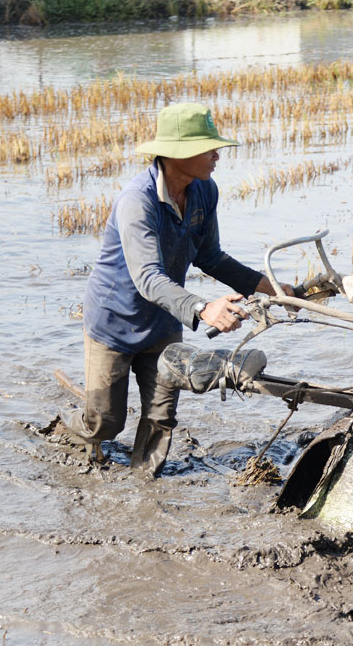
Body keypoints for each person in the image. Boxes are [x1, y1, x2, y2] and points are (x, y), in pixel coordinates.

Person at [65, 102, 292, 476]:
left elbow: (212, 257)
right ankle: (73, 433)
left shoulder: (204, 190)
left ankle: (145, 489)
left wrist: (276, 290)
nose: (217, 155)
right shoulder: (137, 202)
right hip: (115, 322)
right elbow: (148, 277)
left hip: (165, 319)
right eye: (209, 148)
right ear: (177, 154)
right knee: (105, 423)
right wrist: (204, 308)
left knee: (161, 418)